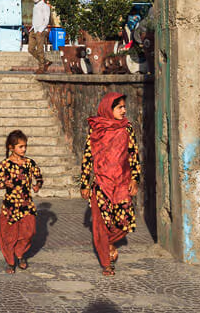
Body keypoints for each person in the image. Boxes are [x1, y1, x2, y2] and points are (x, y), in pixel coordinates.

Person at [80, 92, 141, 276]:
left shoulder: (127, 128)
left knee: (124, 223)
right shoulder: (96, 129)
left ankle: (110, 242)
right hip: (101, 185)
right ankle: (107, 263)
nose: (124, 110)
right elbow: (88, 156)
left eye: (124, 106)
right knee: (101, 225)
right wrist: (84, 183)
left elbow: (133, 154)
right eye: (120, 107)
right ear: (109, 109)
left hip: (122, 183)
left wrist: (134, 179)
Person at [0, 129, 43, 273]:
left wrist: (37, 185)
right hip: (10, 205)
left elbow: (39, 177)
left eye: (25, 146)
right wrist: (4, 184)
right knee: (8, 236)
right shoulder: (5, 164)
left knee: (30, 231)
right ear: (11, 147)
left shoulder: (29, 163)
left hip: (26, 204)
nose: (24, 149)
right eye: (21, 146)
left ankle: (20, 253)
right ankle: (10, 262)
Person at [28, 0, 51, 73]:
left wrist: (40, 30)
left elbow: (46, 20)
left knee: (40, 50)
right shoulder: (35, 6)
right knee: (30, 49)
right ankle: (45, 61)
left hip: (41, 31)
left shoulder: (45, 6)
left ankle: (41, 68)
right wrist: (32, 29)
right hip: (33, 30)